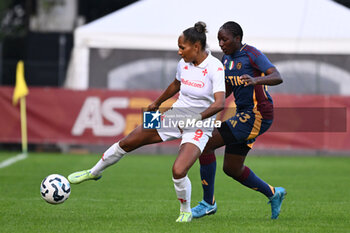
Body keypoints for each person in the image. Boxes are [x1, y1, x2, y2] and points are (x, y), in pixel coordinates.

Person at [67, 22, 226, 223]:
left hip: (199, 124)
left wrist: (196, 119)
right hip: (176, 115)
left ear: (196, 46)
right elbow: (176, 84)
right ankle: (94, 172)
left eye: (182, 47)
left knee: (178, 171)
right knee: (128, 142)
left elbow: (220, 103)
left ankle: (185, 210)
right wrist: (157, 102)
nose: (179, 52)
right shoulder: (184, 63)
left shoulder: (215, 67)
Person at [191, 21, 286, 220]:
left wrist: (256, 80)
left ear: (237, 39)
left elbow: (277, 76)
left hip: (258, 114)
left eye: (224, 39)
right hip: (244, 114)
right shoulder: (226, 59)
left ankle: (208, 203)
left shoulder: (252, 54)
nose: (221, 43)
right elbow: (228, 89)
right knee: (232, 168)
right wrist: (210, 104)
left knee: (205, 143)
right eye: (218, 39)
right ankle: (273, 192)